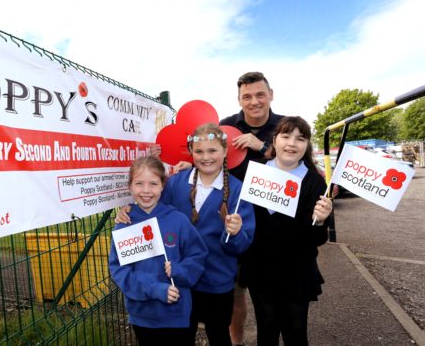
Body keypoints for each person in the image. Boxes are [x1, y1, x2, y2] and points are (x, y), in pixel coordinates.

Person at [172, 71, 284, 346]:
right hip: (186, 277)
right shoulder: (225, 127)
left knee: (256, 304)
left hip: (267, 231)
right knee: (192, 324)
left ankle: (240, 342)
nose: (254, 101)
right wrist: (130, 214)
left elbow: (299, 159)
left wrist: (264, 147)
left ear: (270, 95)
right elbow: (159, 214)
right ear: (239, 99)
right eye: (247, 96)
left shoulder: (285, 127)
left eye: (260, 94)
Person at [118, 123, 256, 345]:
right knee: (183, 336)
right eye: (199, 151)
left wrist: (236, 232)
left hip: (217, 281)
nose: (206, 157)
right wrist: (128, 213)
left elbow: (241, 245)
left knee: (219, 335)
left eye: (213, 150)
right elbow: (153, 212)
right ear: (191, 152)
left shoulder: (238, 190)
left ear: (224, 151)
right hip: (181, 280)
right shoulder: (176, 183)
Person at [241, 116, 333, 346]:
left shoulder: (314, 182)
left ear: (307, 145)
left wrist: (320, 221)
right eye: (286, 136)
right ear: (274, 140)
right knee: (266, 330)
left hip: (297, 272)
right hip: (260, 270)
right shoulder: (256, 173)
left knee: (296, 332)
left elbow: (318, 239)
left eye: (300, 138)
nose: (292, 143)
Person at [108, 156, 209, 346]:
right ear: (130, 186)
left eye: (153, 184)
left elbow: (198, 256)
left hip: (177, 314)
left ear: (163, 185)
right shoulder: (124, 224)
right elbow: (119, 269)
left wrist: (179, 271)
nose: (146, 191)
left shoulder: (178, 220)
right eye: (139, 183)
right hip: (142, 315)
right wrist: (154, 289)